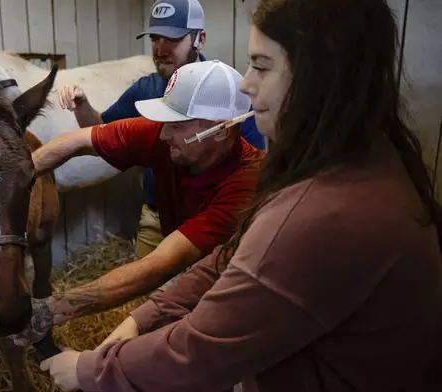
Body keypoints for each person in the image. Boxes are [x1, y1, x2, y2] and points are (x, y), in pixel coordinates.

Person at [38, 0, 442, 391]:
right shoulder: (355, 164)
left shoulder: (315, 212)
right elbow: (230, 258)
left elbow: (198, 350)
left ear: (317, 77)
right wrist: (145, 316)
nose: (246, 84)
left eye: (261, 66)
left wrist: (90, 368)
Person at [12, 60, 265, 347]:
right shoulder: (168, 137)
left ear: (219, 130)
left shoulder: (246, 184)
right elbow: (76, 141)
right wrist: (19, 177)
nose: (164, 133)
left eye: (176, 125)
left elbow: (159, 265)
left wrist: (53, 309)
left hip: (231, 285)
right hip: (189, 263)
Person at [58, 0, 266, 260]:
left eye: (172, 39)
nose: (160, 50)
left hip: (213, 218)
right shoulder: (146, 88)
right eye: (155, 39)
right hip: (157, 216)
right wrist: (82, 105)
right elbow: (102, 130)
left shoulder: (224, 92)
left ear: (199, 38)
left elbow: (255, 167)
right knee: (146, 289)